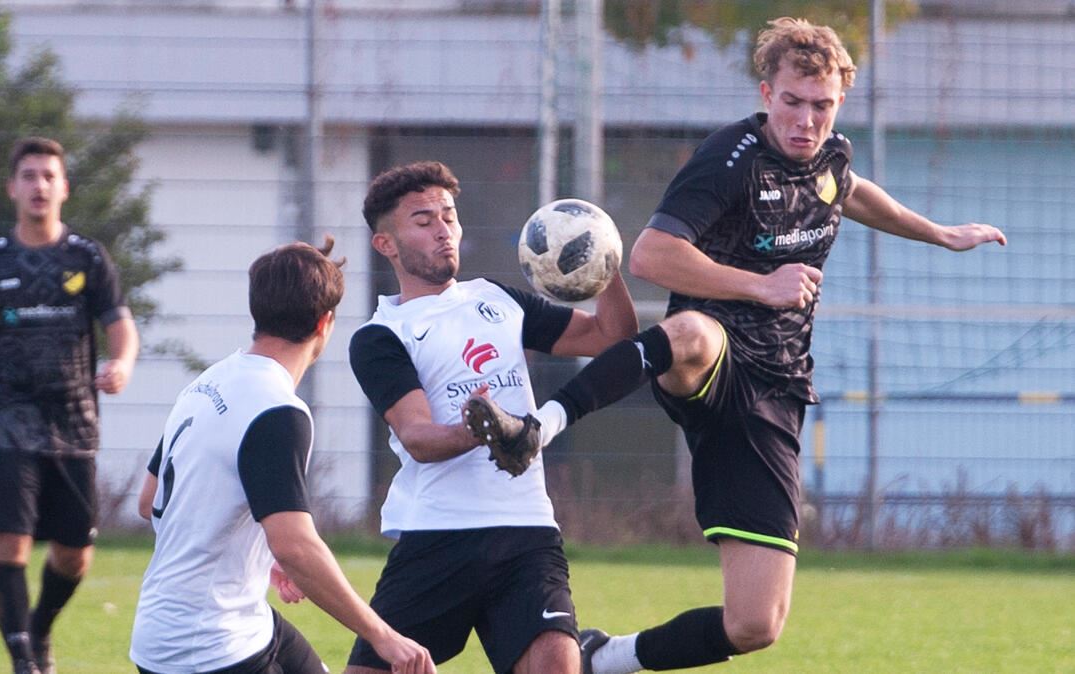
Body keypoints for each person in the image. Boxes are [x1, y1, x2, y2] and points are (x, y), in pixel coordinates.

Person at [464, 17, 1008, 673]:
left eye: (821, 106)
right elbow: (651, 255)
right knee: (693, 331)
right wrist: (761, 285)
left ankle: (605, 659)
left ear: (837, 105)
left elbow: (850, 194)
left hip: (775, 393)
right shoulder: (729, 163)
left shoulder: (831, 156)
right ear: (765, 93)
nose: (806, 119)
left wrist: (939, 233)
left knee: (756, 623)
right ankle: (537, 428)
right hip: (707, 362)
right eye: (792, 102)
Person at [343, 161, 638, 674]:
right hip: (438, 538)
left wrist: (604, 262)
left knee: (558, 666)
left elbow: (612, 337)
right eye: (423, 221)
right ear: (385, 244)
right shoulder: (381, 335)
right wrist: (486, 429)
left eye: (449, 216)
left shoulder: (497, 300)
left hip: (526, 532)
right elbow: (418, 438)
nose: (443, 230)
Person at [130, 241, 435, 674]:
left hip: (170, 629)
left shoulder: (210, 380)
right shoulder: (277, 410)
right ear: (325, 323)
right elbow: (296, 546)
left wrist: (259, 555)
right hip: (209, 648)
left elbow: (150, 501)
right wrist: (384, 638)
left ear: (259, 311)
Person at [0, 136, 139, 674]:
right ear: (12, 188)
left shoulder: (88, 259)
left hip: (73, 424)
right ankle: (24, 659)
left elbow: (122, 328)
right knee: (9, 545)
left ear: (64, 188)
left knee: (75, 553)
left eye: (49, 176)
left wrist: (120, 365)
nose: (39, 186)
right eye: (28, 176)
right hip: (8, 421)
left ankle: (40, 628)